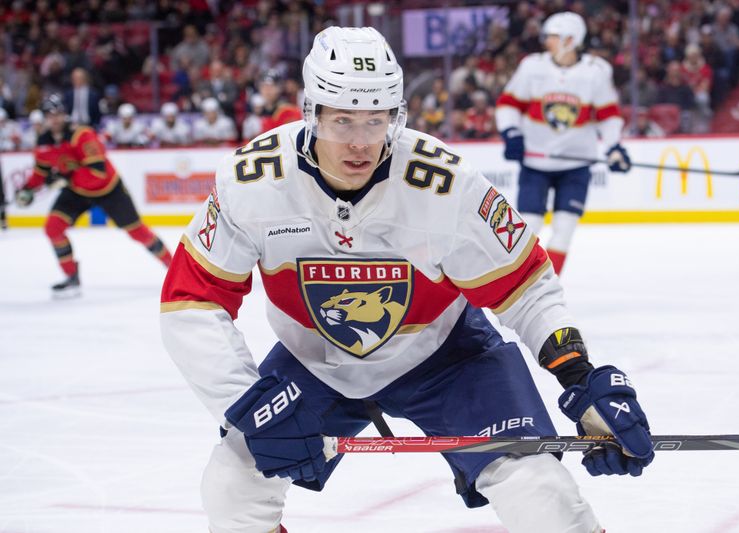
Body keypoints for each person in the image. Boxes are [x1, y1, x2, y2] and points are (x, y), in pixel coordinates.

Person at [160, 26, 654, 533]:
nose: (358, 143)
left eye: (375, 122)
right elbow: (190, 302)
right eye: (342, 121)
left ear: (396, 118)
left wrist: (581, 377)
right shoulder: (252, 181)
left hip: (445, 357)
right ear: (312, 113)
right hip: (314, 362)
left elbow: (526, 289)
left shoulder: (448, 184)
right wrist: (247, 401)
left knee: (541, 492)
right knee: (231, 490)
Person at [496, 11, 631, 275]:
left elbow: (608, 116)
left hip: (576, 164)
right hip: (536, 163)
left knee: (565, 227)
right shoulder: (532, 67)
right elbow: (508, 105)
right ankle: (520, 284)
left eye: (553, 37)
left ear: (571, 39)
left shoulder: (595, 72)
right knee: (529, 227)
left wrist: (614, 147)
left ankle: (547, 285)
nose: (547, 42)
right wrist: (511, 132)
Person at [14, 95, 172, 298]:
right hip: (76, 190)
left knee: (137, 231)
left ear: (64, 115)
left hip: (109, 189)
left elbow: (98, 173)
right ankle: (72, 277)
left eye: (57, 114)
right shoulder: (43, 142)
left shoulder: (82, 135)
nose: (54, 119)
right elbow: (41, 173)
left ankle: (174, 265)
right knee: (53, 227)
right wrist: (26, 189)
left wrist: (65, 176)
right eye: (49, 115)